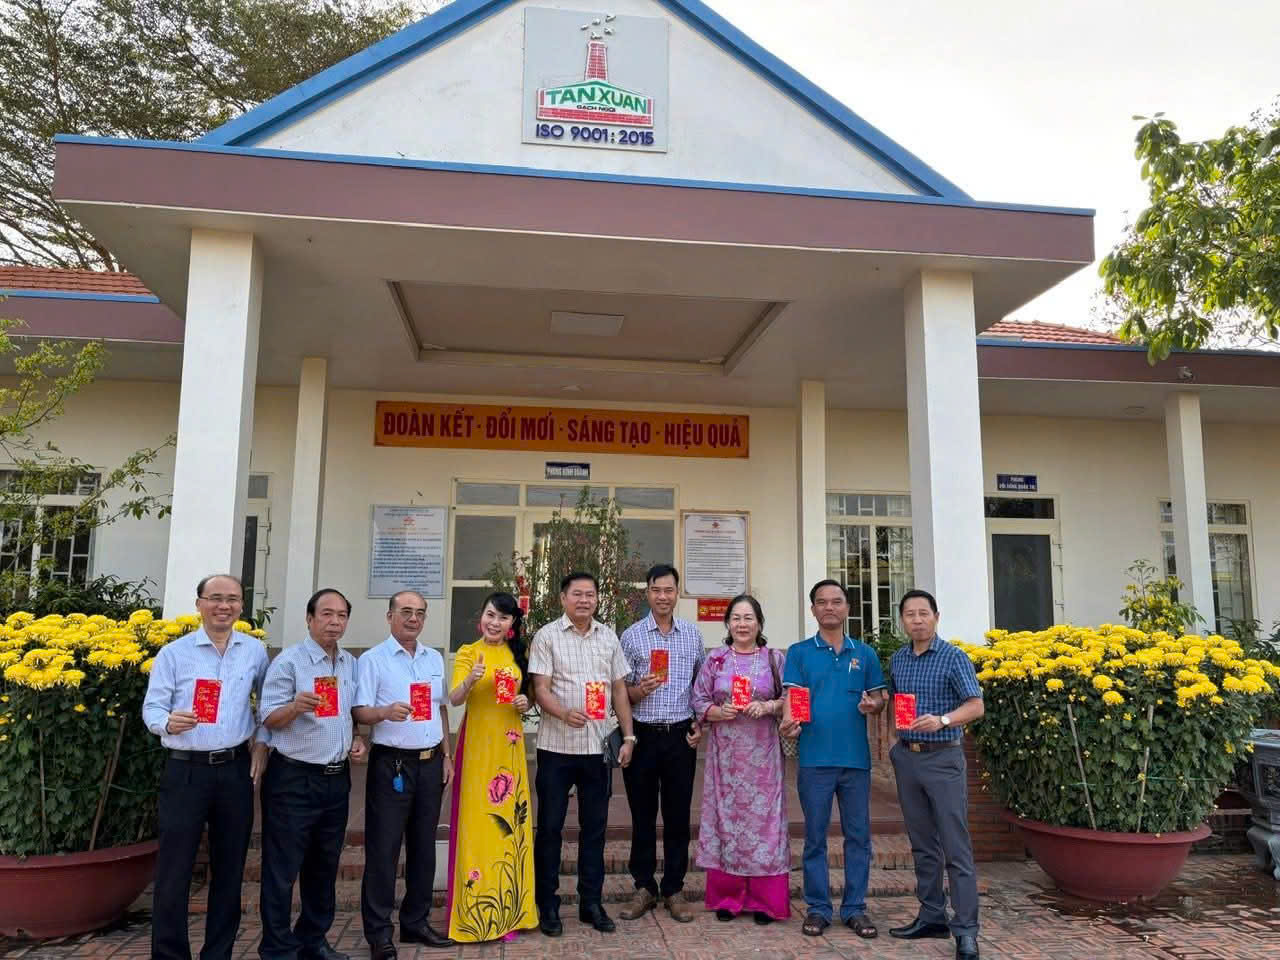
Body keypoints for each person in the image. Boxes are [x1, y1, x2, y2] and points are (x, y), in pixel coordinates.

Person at [141, 573, 270, 960]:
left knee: (230, 869)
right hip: (186, 771)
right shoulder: (174, 654)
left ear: (241, 606)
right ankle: (170, 955)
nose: (223, 606)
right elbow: (152, 707)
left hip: (234, 769)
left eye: (232, 598)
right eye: (215, 598)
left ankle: (218, 953)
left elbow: (267, 703)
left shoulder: (254, 652)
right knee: (174, 870)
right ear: (199, 603)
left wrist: (261, 744)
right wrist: (167, 723)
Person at [257, 588, 367, 960]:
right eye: (326, 614)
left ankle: (312, 940)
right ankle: (277, 947)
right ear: (309, 619)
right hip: (293, 779)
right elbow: (267, 718)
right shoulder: (289, 662)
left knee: (323, 867)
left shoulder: (349, 664)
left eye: (341, 615)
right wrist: (294, 707)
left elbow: (348, 714)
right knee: (282, 868)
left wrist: (356, 739)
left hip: (335, 779)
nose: (334, 622)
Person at [528, 571, 635, 936]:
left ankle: (591, 903)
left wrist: (629, 737)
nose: (584, 600)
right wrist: (562, 712)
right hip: (556, 748)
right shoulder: (547, 636)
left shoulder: (608, 637)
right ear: (563, 598)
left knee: (595, 829)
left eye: (590, 594)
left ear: (597, 599)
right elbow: (540, 688)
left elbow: (618, 690)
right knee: (550, 828)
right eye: (577, 594)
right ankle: (548, 904)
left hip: (597, 749)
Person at [781, 579, 887, 940]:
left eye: (836, 601)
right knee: (815, 837)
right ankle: (818, 908)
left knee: (859, 837)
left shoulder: (865, 654)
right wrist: (789, 722)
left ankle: (855, 908)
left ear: (847, 608)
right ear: (812, 609)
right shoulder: (799, 653)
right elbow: (793, 697)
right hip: (814, 759)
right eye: (822, 602)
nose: (829, 607)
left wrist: (874, 704)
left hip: (855, 760)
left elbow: (880, 698)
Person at [353, 591, 455, 958]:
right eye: (406, 612)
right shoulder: (372, 660)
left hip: (430, 762)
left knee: (423, 847)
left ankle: (416, 921)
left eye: (420, 613)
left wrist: (446, 755)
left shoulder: (433, 659)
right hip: (392, 764)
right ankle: (379, 932)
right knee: (384, 850)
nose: (413, 619)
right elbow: (359, 711)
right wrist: (383, 713)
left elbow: (440, 709)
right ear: (390, 616)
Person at [887, 589, 985, 960]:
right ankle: (931, 915)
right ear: (902, 620)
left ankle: (966, 930)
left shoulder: (954, 657)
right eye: (909, 614)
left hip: (943, 758)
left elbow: (975, 705)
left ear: (936, 617)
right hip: (908, 758)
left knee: (955, 847)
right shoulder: (898, 660)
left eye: (923, 613)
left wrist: (943, 720)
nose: (917, 620)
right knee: (923, 844)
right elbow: (897, 702)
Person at [444, 591, 537, 942]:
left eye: (503, 617)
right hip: (478, 747)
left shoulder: (518, 653)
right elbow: (454, 698)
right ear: (480, 617)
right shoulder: (469, 652)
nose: (495, 622)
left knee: (510, 826)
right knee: (477, 823)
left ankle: (512, 911)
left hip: (509, 747)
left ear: (512, 623)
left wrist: (525, 701)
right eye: (490, 615)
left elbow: (527, 698)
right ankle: (475, 914)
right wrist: (471, 678)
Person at [690, 594, 790, 925]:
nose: (742, 624)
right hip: (726, 758)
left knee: (765, 825)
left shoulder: (774, 658)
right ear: (727, 623)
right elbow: (698, 699)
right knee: (726, 821)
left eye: (749, 618)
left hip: (764, 758)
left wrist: (769, 706)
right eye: (736, 618)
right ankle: (727, 898)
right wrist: (717, 712)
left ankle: (765, 901)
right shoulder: (716, 659)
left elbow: (790, 697)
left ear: (759, 623)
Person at [617, 564, 704, 923]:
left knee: (678, 815)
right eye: (656, 590)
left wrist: (699, 723)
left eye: (669, 590)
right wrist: (639, 690)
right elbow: (620, 692)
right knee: (642, 814)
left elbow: (700, 687)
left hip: (680, 736)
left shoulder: (693, 635)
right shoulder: (631, 636)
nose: (663, 597)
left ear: (677, 593)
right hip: (643, 735)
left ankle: (673, 888)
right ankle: (643, 887)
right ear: (647, 593)